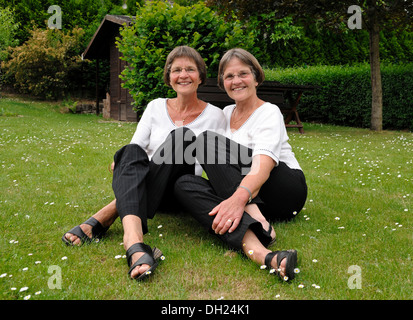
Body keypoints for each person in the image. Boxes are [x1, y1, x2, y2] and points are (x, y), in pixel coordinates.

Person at [62, 46, 226, 281]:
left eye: (190, 69)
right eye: (176, 70)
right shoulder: (155, 107)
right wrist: (127, 166)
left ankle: (107, 214)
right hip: (149, 188)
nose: (183, 75)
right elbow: (134, 151)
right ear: (169, 78)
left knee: (181, 138)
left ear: (201, 76)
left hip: (179, 190)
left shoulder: (216, 115)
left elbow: (208, 164)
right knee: (129, 151)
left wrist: (141, 170)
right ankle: (134, 241)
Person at [174, 48, 307, 281]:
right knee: (184, 183)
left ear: (256, 77)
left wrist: (239, 199)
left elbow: (262, 166)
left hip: (283, 188)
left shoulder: (268, 112)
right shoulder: (225, 113)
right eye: (229, 76)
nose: (236, 81)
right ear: (222, 83)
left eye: (243, 74)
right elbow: (215, 165)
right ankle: (258, 245)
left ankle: (255, 217)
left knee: (205, 141)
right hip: (250, 193)